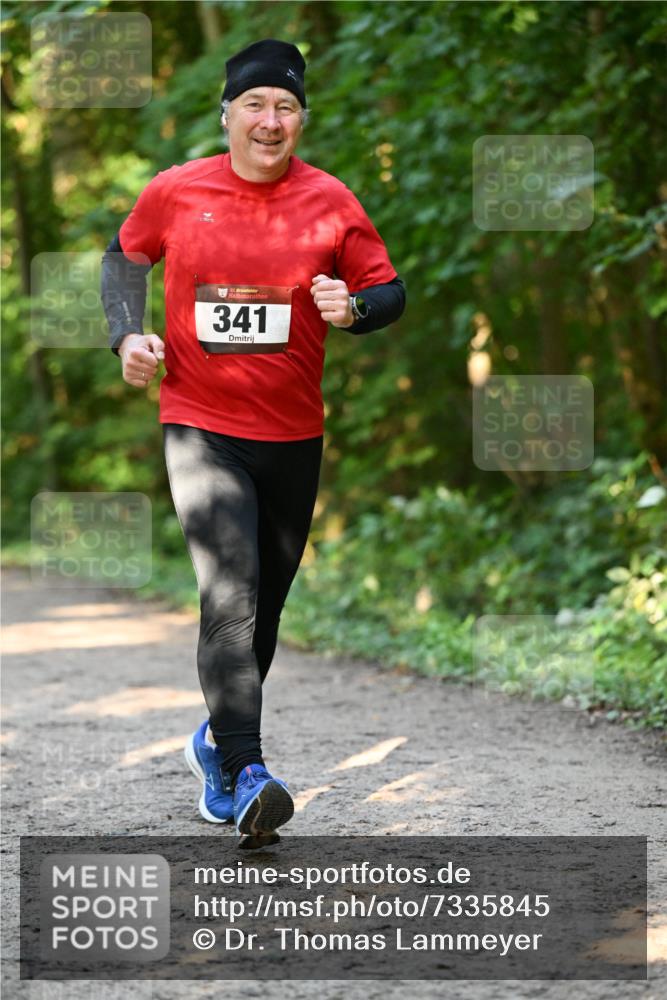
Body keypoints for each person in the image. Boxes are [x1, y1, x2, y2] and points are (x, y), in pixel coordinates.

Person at [101, 38, 405, 848]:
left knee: (262, 606)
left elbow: (387, 288)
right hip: (200, 424)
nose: (271, 122)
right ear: (227, 114)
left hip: (292, 435)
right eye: (256, 105)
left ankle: (214, 743)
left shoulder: (330, 200)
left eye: (287, 108)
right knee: (228, 592)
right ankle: (247, 774)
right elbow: (121, 257)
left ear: (300, 119)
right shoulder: (175, 191)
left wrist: (356, 310)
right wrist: (126, 338)